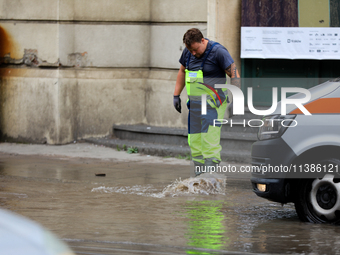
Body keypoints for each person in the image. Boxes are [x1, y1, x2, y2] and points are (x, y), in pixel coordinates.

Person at [173, 28, 240, 176]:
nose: (193, 53)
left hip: (213, 104)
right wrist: (176, 95)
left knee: (209, 139)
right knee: (194, 140)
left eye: (195, 49)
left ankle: (210, 178)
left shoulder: (218, 52)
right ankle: (199, 176)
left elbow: (234, 73)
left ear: (202, 41)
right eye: (190, 50)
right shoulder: (188, 52)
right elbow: (182, 71)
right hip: (195, 104)